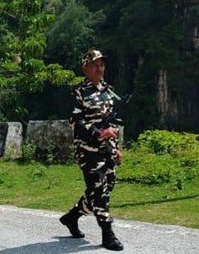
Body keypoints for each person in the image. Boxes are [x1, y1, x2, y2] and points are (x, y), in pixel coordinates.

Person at [59, 49, 124, 251]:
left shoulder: (108, 90)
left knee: (107, 187)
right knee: (99, 190)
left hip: (108, 149)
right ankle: (108, 233)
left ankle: (72, 217)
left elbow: (115, 122)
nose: (99, 68)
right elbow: (76, 122)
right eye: (95, 64)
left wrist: (117, 147)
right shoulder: (78, 92)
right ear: (85, 67)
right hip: (88, 149)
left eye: (102, 64)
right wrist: (98, 133)